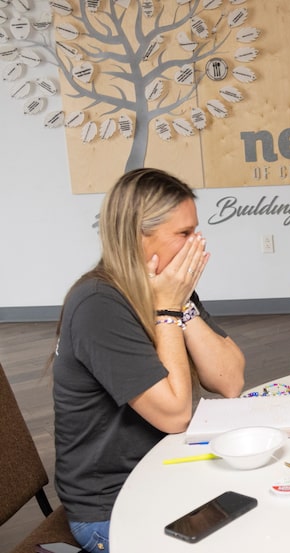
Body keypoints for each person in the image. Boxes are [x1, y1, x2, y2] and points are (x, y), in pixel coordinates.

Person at [51, 169, 246, 553]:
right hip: (113, 507)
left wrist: (180, 306)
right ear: (140, 236)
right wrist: (168, 311)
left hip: (164, 474)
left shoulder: (166, 288)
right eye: (184, 233)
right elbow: (175, 416)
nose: (198, 243)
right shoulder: (97, 303)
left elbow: (229, 379)